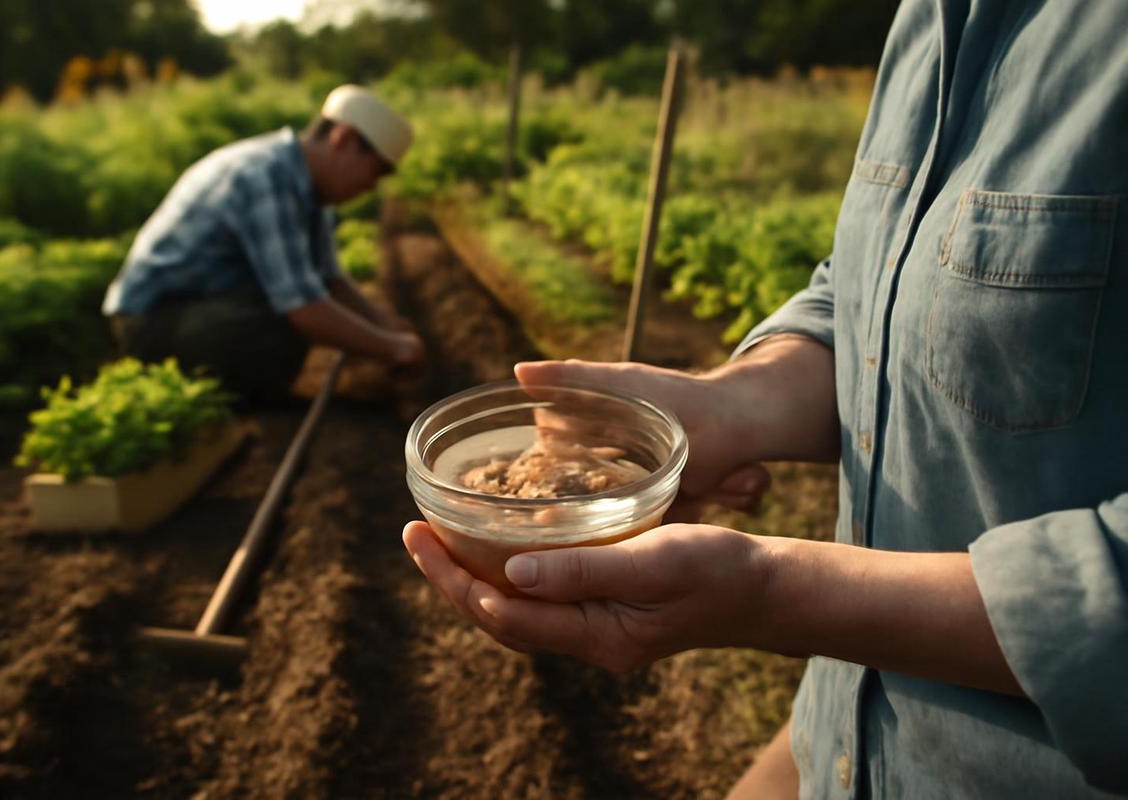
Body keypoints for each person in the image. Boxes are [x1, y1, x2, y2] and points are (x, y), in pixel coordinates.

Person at [403, 2, 1128, 797]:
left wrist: (770, 597)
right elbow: (870, 289)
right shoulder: (931, 20)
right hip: (848, 731)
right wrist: (735, 404)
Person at [102, 84, 424, 403]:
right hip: (152, 322)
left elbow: (329, 278)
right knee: (287, 323)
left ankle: (251, 392)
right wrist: (393, 348)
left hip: (204, 306)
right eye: (376, 171)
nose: (371, 187)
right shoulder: (266, 177)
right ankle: (241, 400)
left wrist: (382, 323)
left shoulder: (308, 189)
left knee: (303, 311)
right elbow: (305, 308)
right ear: (343, 139)